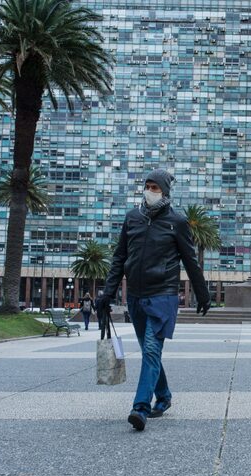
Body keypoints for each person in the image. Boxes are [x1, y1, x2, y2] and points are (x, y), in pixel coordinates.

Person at [98, 169, 210, 432]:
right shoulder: (132, 218)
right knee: (150, 352)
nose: (149, 191)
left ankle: (140, 408)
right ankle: (164, 396)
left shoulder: (177, 222)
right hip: (135, 297)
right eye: (147, 186)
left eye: (155, 187)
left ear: (165, 192)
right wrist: (108, 292)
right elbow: (118, 258)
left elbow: (190, 262)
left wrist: (203, 294)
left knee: (150, 350)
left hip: (163, 296)